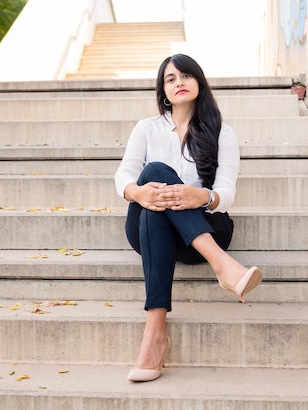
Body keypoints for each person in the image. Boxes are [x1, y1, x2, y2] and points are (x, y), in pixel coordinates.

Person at [114, 54, 262, 382]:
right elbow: (123, 175)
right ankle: (223, 266)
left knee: (159, 196)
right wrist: (137, 193)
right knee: (153, 177)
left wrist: (204, 196)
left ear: (198, 82)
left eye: (185, 76)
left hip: (209, 225)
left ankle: (155, 336)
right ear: (163, 91)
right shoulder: (147, 129)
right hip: (150, 230)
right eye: (170, 79)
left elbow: (226, 191)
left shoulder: (221, 132)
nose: (179, 82)